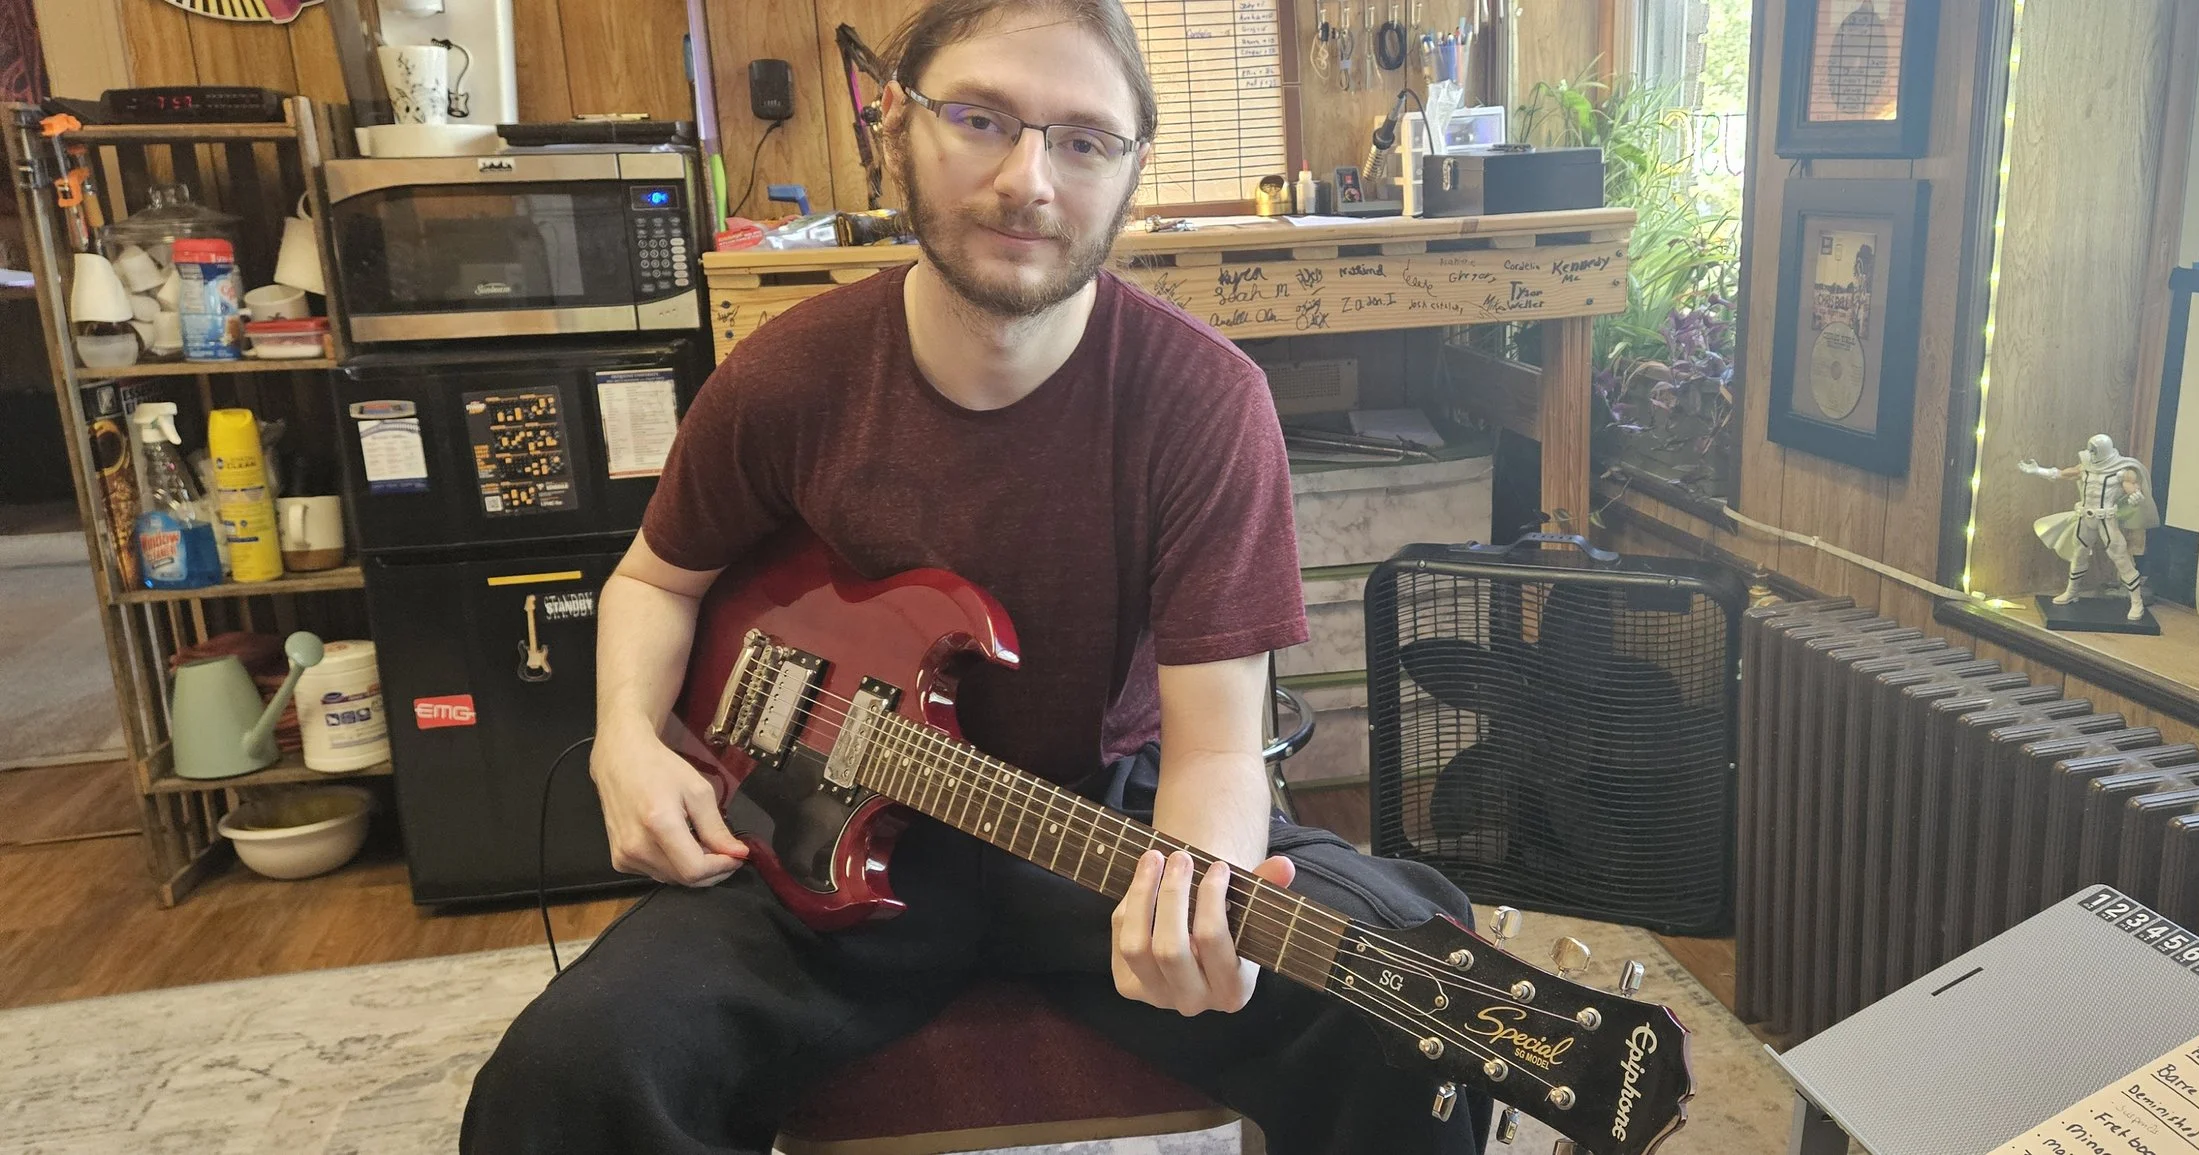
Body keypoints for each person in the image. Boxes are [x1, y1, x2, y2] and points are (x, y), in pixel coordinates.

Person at [459, 2, 1488, 1152]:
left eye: (1084, 139)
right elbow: (656, 580)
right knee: (561, 1081)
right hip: (815, 822)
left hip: (1105, 826)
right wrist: (625, 741)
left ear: (1133, 168)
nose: (1027, 181)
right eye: (981, 119)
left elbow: (1213, 750)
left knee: (1413, 1014)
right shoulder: (787, 375)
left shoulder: (1204, 403)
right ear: (894, 127)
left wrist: (1194, 896)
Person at [2019, 433, 2160, 620]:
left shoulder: (2122, 471)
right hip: (2085, 517)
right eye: (2090, 449)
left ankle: (2136, 601)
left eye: (2095, 450)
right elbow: (2062, 474)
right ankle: (2072, 591)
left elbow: (2133, 489)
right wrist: (2038, 471)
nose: (2091, 453)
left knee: (2120, 557)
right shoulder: (2085, 466)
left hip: (2106, 519)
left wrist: (2136, 496)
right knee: (2079, 554)